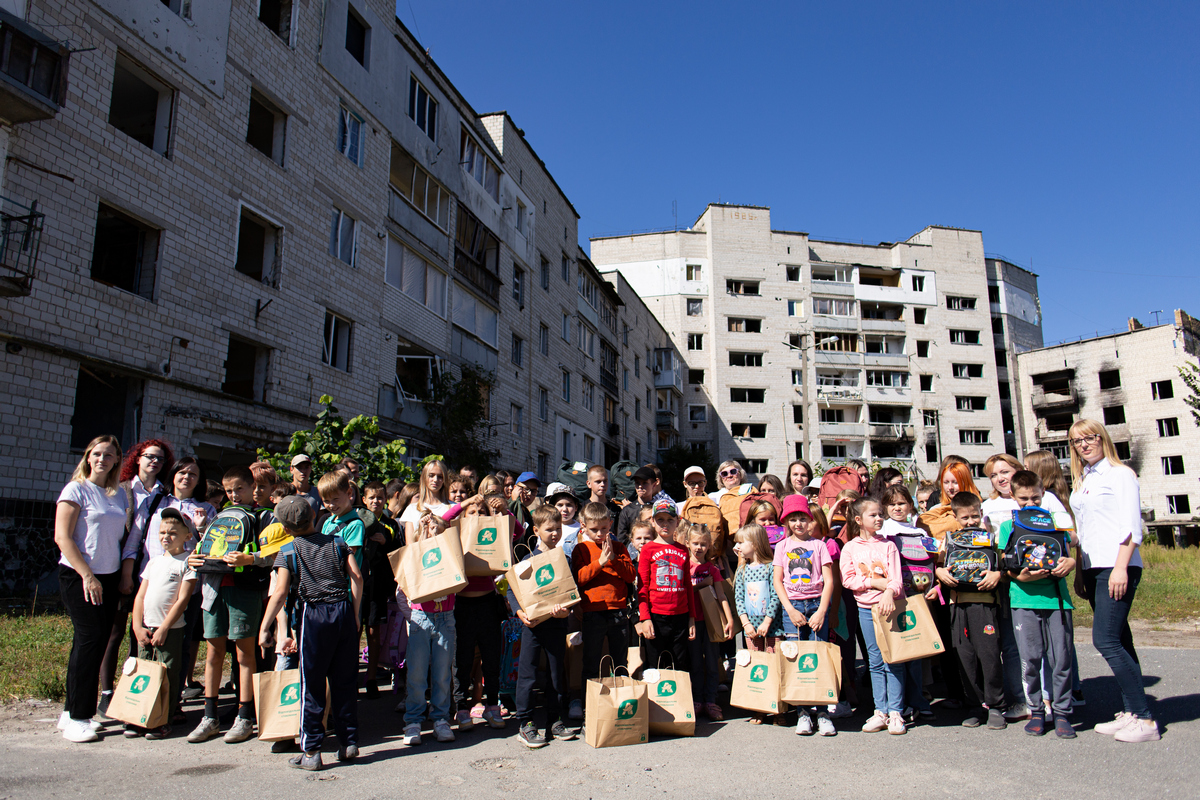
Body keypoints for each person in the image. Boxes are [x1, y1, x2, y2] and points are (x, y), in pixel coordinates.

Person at [1067, 419, 1159, 743]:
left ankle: (1145, 721)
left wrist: (1120, 568)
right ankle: (1132, 711)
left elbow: (1132, 527)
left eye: (1089, 438)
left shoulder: (1120, 474)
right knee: (1122, 640)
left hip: (1116, 566)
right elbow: (1086, 531)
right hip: (1093, 567)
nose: (1084, 445)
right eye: (1077, 441)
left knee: (1105, 640)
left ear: (1102, 439)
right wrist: (1080, 570)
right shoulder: (1084, 479)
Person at [260, 495, 363, 771]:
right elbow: (357, 576)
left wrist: (265, 627)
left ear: (286, 526)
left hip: (313, 615)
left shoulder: (289, 551)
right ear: (315, 515)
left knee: (313, 684)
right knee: (344, 681)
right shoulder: (338, 542)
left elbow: (280, 592)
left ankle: (312, 751)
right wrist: (354, 612)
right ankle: (348, 743)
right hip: (341, 610)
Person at [186, 465, 273, 744]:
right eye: (228, 491)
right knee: (213, 651)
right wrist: (192, 559)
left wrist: (251, 559)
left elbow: (277, 552)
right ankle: (209, 716)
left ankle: (245, 716)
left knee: (245, 653)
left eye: (239, 489)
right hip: (213, 589)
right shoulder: (219, 516)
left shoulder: (265, 516)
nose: (234, 495)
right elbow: (204, 547)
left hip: (244, 590)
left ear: (253, 489)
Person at [54, 435, 128, 743]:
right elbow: (63, 536)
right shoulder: (76, 489)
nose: (102, 459)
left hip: (109, 577)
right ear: (88, 457)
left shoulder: (117, 494)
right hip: (79, 575)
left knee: (96, 643)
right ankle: (78, 717)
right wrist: (87, 575)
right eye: (97, 453)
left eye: (108, 455)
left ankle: (71, 711)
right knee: (89, 640)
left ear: (116, 461)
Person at [999, 470, 1077, 739]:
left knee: (1061, 659)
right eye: (1023, 499)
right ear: (1013, 495)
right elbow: (1004, 562)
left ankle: (1063, 712)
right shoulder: (1008, 526)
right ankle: (1036, 712)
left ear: (1043, 494)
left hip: (1057, 601)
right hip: (1023, 600)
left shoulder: (1056, 522)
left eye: (1035, 498)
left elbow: (1068, 553)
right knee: (1030, 660)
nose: (1030, 504)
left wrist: (1071, 563)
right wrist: (1018, 575)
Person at [99, 439, 173, 718]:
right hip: (121, 566)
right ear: (137, 458)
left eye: (160, 459)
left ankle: (133, 692)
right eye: (149, 457)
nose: (154, 462)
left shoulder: (164, 494)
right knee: (115, 632)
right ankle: (107, 693)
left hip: (151, 571)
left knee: (139, 634)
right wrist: (125, 572)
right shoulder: (122, 488)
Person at [934, 492, 1005, 730]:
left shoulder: (990, 539)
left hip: (985, 604)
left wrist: (998, 574)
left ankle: (996, 705)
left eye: (975, 516)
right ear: (955, 517)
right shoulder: (949, 539)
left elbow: (1003, 566)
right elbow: (939, 566)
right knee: (964, 656)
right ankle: (975, 704)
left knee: (989, 655)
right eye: (964, 517)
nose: (970, 522)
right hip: (958, 604)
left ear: (981, 514)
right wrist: (939, 573)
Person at [509, 505, 575, 748]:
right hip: (533, 627)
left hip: (557, 625)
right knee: (527, 674)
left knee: (557, 674)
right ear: (536, 530)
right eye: (549, 530)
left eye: (558, 529)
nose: (555, 534)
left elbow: (571, 591)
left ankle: (555, 720)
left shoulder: (564, 559)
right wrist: (520, 613)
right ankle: (525, 723)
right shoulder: (527, 559)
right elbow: (512, 589)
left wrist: (567, 610)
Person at [840, 497, 907, 735]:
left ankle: (897, 711)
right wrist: (876, 582)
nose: (879, 518)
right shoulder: (850, 548)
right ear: (858, 520)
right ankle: (881, 711)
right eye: (873, 515)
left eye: (880, 514)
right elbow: (848, 580)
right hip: (866, 610)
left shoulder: (888, 546)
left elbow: (897, 579)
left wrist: (889, 591)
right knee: (875, 660)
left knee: (894, 659)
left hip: (891, 608)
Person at [129, 508, 197, 739]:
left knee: (167, 674)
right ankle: (139, 716)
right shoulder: (154, 562)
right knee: (143, 673)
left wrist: (165, 628)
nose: (166, 537)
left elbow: (183, 599)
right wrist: (137, 626)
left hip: (170, 630)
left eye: (173, 533)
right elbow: (140, 597)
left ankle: (161, 720)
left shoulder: (187, 562)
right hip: (145, 630)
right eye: (162, 532)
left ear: (188, 536)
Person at [772, 494, 836, 736]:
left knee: (819, 655)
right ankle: (802, 712)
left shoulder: (819, 545)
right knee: (796, 657)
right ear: (786, 522)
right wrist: (789, 609)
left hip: (816, 604)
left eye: (802, 518)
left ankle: (822, 712)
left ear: (810, 521)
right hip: (793, 607)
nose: (798, 523)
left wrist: (822, 611)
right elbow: (778, 581)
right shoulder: (782, 546)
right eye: (793, 519)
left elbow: (829, 581)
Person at [980, 452, 1036, 720]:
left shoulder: (1034, 500)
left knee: (1037, 642)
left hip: (1036, 579)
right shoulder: (987, 507)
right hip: (1002, 580)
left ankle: (1045, 697)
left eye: (1005, 471)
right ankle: (1021, 698)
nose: (1000, 478)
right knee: (1011, 645)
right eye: (993, 474)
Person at [400, 511, 457, 747]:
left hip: (446, 617)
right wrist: (424, 535)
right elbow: (416, 560)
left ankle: (440, 719)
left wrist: (438, 534)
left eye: (438, 529)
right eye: (428, 528)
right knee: (416, 672)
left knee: (442, 673)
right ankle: (413, 721)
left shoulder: (451, 552)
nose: (433, 532)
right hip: (421, 616)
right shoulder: (415, 551)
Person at [572, 502, 637, 700]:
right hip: (593, 611)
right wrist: (600, 562)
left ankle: (622, 705)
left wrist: (613, 558)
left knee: (620, 662)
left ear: (610, 524)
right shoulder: (581, 549)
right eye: (594, 530)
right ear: (583, 527)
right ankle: (589, 706)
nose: (599, 533)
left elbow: (630, 575)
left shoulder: (618, 547)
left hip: (618, 609)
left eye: (603, 528)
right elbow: (579, 578)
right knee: (592, 661)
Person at [637, 500, 697, 673]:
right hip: (656, 616)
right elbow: (642, 587)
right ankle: (654, 700)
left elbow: (688, 585)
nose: (665, 524)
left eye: (670, 520)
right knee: (655, 665)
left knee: (679, 664)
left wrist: (691, 618)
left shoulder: (683, 550)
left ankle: (679, 699)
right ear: (653, 522)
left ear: (677, 522)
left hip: (680, 615)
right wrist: (645, 618)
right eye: (660, 519)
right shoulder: (648, 549)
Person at [733, 522, 782, 723]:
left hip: (772, 628)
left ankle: (779, 708)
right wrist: (746, 624)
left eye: (741, 543)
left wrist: (767, 622)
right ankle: (759, 709)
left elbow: (775, 596)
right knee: (756, 668)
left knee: (775, 666)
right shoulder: (742, 570)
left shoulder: (771, 568)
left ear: (754, 543)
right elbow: (739, 599)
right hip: (751, 629)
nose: (737, 547)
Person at [360, 481, 402, 697]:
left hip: (379, 585)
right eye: (371, 497)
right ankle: (350, 677)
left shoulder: (391, 524)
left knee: (374, 632)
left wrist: (386, 542)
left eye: (379, 497)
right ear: (363, 499)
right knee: (354, 630)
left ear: (385, 499)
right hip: (358, 586)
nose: (375, 501)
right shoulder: (356, 521)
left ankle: (372, 677)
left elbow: (398, 554)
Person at [687, 523, 732, 721]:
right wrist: (701, 586)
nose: (699, 548)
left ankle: (711, 700)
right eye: (695, 543)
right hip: (692, 621)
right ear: (687, 543)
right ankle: (697, 700)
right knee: (695, 662)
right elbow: (683, 593)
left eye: (703, 544)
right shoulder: (683, 567)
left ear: (709, 545)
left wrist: (729, 619)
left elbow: (722, 596)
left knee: (713, 661)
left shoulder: (712, 569)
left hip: (711, 621)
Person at [617, 466, 672, 542]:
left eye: (645, 483)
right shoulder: (627, 511)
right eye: (637, 483)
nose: (640, 486)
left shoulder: (658, 509)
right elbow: (622, 539)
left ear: (654, 485)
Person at [401, 460, 450, 541]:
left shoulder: (452, 507)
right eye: (431, 475)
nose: (435, 480)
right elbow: (410, 545)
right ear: (424, 477)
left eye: (440, 476)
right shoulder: (412, 509)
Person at [545, 482, 581, 558]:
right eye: (560, 505)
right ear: (553, 507)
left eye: (569, 505)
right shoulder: (546, 527)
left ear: (576, 507)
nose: (564, 509)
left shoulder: (581, 529)